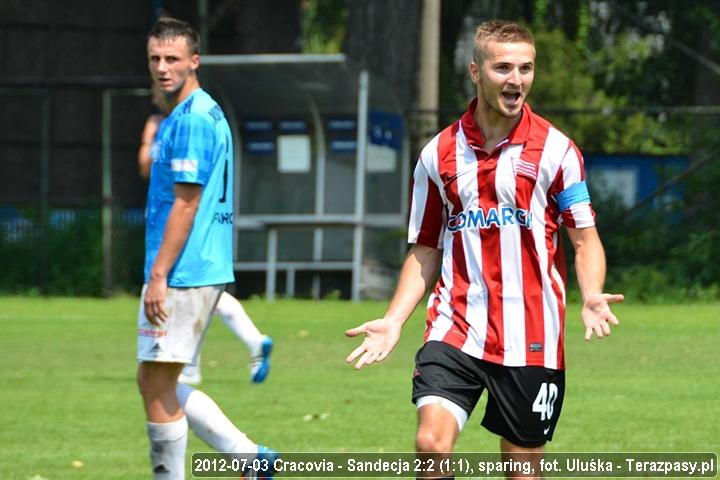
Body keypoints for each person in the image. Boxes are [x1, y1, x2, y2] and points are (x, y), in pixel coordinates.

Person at [346, 20, 623, 479]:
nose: (516, 80)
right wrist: (394, 320)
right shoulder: (438, 154)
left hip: (532, 333)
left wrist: (592, 293)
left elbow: (584, 237)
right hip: (456, 323)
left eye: (526, 68)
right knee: (430, 444)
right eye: (503, 68)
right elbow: (426, 248)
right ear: (475, 71)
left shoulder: (557, 151)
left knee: (521, 469)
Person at [136, 17, 276, 479]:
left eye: (172, 58)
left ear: (194, 61)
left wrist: (158, 275)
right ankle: (249, 459)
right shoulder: (198, 111)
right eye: (155, 58)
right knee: (158, 382)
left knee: (158, 389)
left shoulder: (192, 119)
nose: (162, 67)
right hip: (197, 267)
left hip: (183, 270)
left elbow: (186, 203)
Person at [138, 93, 274, 386]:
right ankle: (253, 341)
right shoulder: (206, 115)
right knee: (215, 303)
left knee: (165, 384)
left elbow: (153, 173)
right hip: (206, 244)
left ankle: (243, 347)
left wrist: (149, 139)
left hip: (188, 244)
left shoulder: (187, 122)